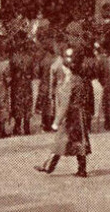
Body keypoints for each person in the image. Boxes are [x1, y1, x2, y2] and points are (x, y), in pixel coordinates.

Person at [37, 45, 92, 177]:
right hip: (81, 115)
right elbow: (90, 99)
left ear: (68, 69)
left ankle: (48, 167)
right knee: (81, 141)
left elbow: (64, 105)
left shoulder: (69, 84)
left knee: (60, 140)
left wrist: (56, 122)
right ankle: (82, 169)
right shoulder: (83, 81)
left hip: (71, 117)